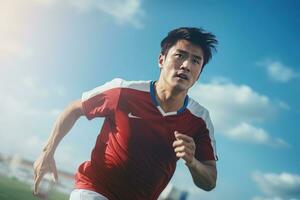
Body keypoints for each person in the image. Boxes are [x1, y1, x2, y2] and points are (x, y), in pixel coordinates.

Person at [33, 27, 218, 200]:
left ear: (199, 72)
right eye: (180, 55)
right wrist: (47, 152)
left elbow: (209, 182)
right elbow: (73, 109)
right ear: (161, 60)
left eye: (195, 61)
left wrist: (192, 162)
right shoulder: (123, 92)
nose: (186, 65)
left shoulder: (200, 120)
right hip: (94, 189)